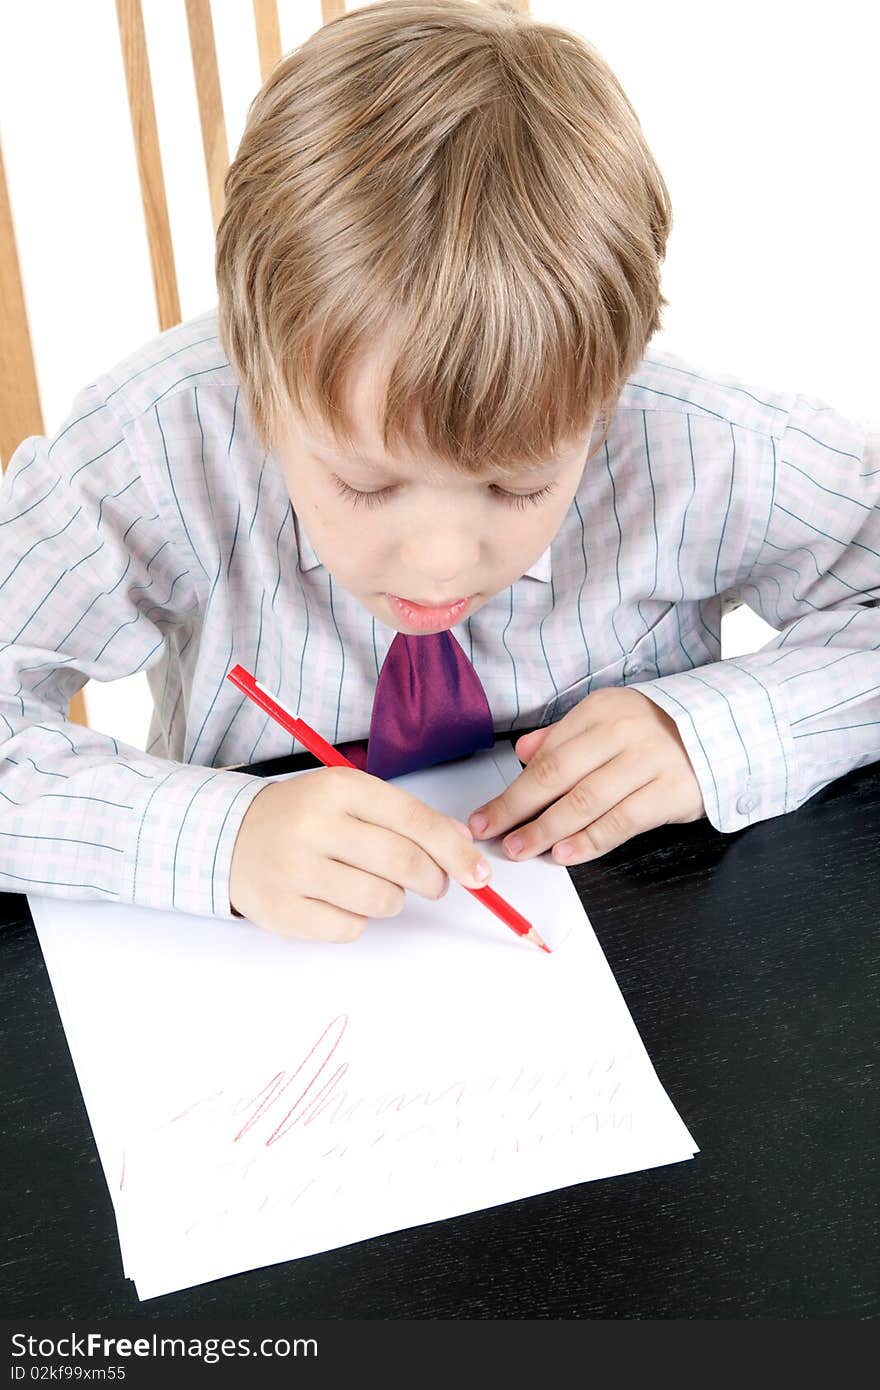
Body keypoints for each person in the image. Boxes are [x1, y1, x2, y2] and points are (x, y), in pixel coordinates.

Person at [1, 0, 877, 944]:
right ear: (256, 380)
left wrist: (711, 735)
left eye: (517, 487)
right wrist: (219, 836)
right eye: (368, 485)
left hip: (641, 961)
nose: (439, 565)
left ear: (608, 394)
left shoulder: (693, 443)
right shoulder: (158, 439)